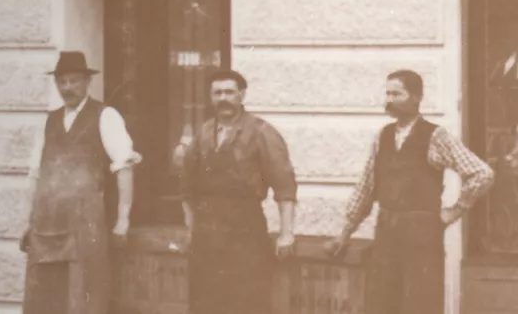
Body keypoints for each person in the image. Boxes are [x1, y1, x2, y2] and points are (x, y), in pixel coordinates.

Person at [324, 69, 495, 314]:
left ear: (416, 97)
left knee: (419, 303)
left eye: (397, 94)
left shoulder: (436, 136)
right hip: (386, 235)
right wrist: (344, 234)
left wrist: (456, 210)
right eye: (387, 94)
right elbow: (366, 189)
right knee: (382, 303)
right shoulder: (382, 137)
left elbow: (482, 173)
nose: (390, 100)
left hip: (422, 238)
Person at [20, 51, 141, 314]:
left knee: (83, 292)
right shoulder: (50, 121)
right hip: (46, 224)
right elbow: (35, 173)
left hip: (84, 223)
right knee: (44, 294)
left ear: (87, 82)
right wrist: (28, 221)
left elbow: (124, 167)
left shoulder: (105, 116)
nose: (68, 88)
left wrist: (123, 219)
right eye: (62, 82)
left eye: (74, 81)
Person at [175, 68, 297, 314]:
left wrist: (286, 234)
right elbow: (187, 188)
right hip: (207, 234)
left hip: (246, 231)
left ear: (241, 95)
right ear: (210, 97)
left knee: (246, 301)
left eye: (229, 92)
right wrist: (191, 229)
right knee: (205, 301)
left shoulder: (262, 132)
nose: (223, 98)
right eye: (217, 92)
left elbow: (285, 188)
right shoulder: (204, 133)